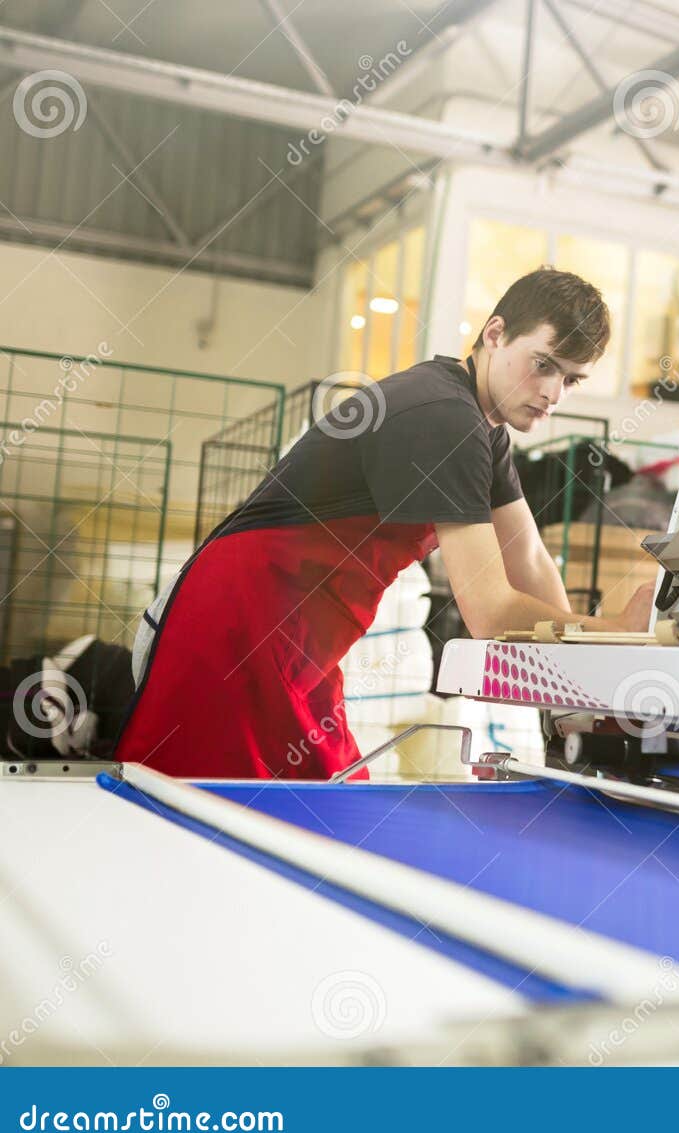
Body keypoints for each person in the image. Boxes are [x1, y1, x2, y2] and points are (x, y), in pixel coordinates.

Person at [115, 268, 651, 779]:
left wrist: (576, 684)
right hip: (235, 631)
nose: (554, 393)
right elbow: (490, 612)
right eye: (544, 365)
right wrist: (615, 635)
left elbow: (529, 560)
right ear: (495, 334)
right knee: (221, 818)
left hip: (299, 643)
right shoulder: (445, 417)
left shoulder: (482, 427)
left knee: (320, 803)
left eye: (572, 380)